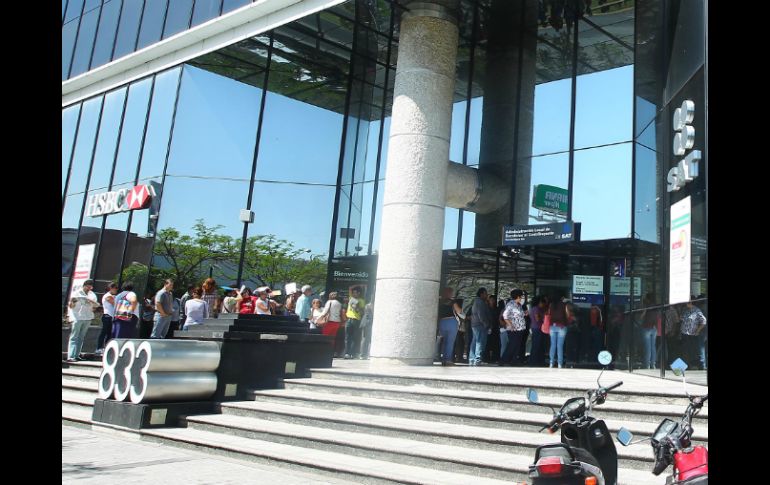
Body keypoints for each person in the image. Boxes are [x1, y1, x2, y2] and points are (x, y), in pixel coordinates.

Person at [66, 279, 99, 362]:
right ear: (84, 286)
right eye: (88, 286)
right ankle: (71, 356)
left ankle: (77, 355)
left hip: (87, 317)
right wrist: (73, 302)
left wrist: (91, 302)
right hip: (77, 317)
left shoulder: (92, 294)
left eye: (90, 287)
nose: (89, 288)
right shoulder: (77, 293)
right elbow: (71, 306)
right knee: (74, 337)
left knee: (81, 337)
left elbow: (95, 306)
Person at [437, 288, 464, 366]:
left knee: (444, 342)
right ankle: (448, 360)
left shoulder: (440, 301)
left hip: (442, 322)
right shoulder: (452, 302)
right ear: (450, 293)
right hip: (451, 322)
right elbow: (459, 311)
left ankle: (443, 360)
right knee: (450, 342)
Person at [501, 289, 527, 365]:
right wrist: (510, 325)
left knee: (517, 345)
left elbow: (518, 315)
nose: (521, 298)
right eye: (521, 296)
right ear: (518, 296)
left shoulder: (519, 305)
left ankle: (514, 360)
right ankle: (503, 360)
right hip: (513, 329)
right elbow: (505, 315)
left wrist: (525, 313)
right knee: (512, 345)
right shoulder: (510, 304)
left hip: (520, 328)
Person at [680, 297, 707, 370]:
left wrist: (698, 330)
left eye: (687, 302)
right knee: (685, 351)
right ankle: (685, 366)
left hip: (692, 335)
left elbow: (704, 321)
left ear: (691, 303)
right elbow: (682, 318)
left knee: (691, 351)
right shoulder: (686, 310)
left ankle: (695, 365)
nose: (686, 304)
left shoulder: (697, 311)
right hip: (684, 334)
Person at [469, 287, 494, 366]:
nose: (487, 295)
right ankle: (478, 359)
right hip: (480, 325)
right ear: (482, 294)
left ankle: (472, 359)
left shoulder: (476, 301)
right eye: (486, 293)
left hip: (475, 325)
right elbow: (481, 315)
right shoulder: (480, 302)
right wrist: (486, 324)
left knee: (475, 342)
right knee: (480, 342)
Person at [95, 282, 119, 356]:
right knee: (104, 332)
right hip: (107, 316)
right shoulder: (108, 296)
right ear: (111, 288)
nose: (116, 290)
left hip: (112, 317)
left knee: (109, 333)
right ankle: (99, 348)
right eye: (115, 288)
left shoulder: (114, 296)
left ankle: (106, 348)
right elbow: (115, 304)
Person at [548, 294, 571, 368]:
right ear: (561, 298)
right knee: (559, 346)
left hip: (552, 326)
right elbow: (568, 315)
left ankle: (551, 363)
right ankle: (559, 364)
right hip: (561, 326)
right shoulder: (564, 305)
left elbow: (549, 314)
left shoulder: (551, 305)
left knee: (553, 345)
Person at [318, 292, 343, 356]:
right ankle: (331, 351)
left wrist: (318, 319)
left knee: (325, 336)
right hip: (337, 323)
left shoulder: (329, 302)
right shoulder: (339, 304)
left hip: (329, 322)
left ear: (331, 296)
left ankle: (324, 351)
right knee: (332, 338)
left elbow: (325, 312)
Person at [344, 286, 366, 359]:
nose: (354, 294)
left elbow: (362, 312)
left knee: (354, 337)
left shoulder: (361, 301)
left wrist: (357, 307)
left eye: (355, 293)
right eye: (353, 293)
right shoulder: (351, 298)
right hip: (349, 319)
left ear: (359, 293)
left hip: (356, 320)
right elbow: (350, 288)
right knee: (347, 337)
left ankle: (352, 353)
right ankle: (347, 353)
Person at [640, 293, 659, 369]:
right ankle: (653, 364)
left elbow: (641, 316)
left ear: (648, 299)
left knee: (647, 347)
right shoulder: (656, 307)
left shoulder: (647, 306)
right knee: (653, 347)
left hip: (646, 327)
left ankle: (647, 364)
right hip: (654, 328)